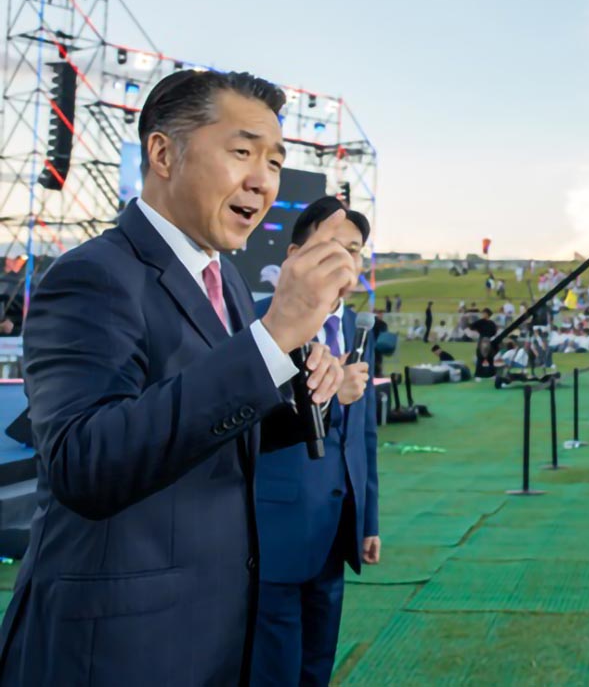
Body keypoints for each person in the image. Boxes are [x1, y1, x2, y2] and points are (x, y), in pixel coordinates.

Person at [0, 70, 348, 685]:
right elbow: (87, 461)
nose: (262, 180)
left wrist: (299, 384)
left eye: (274, 160)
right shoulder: (92, 277)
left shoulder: (229, 282)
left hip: (213, 631)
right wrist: (269, 342)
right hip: (119, 647)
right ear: (162, 153)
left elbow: (216, 427)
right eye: (241, 152)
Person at [251, 198, 380, 686]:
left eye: (353, 249)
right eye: (330, 246)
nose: (344, 260)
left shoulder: (355, 328)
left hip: (335, 531)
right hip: (274, 532)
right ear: (293, 255)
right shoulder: (257, 323)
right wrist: (328, 399)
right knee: (273, 669)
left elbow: (364, 439)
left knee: (316, 665)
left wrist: (367, 520)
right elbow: (244, 422)